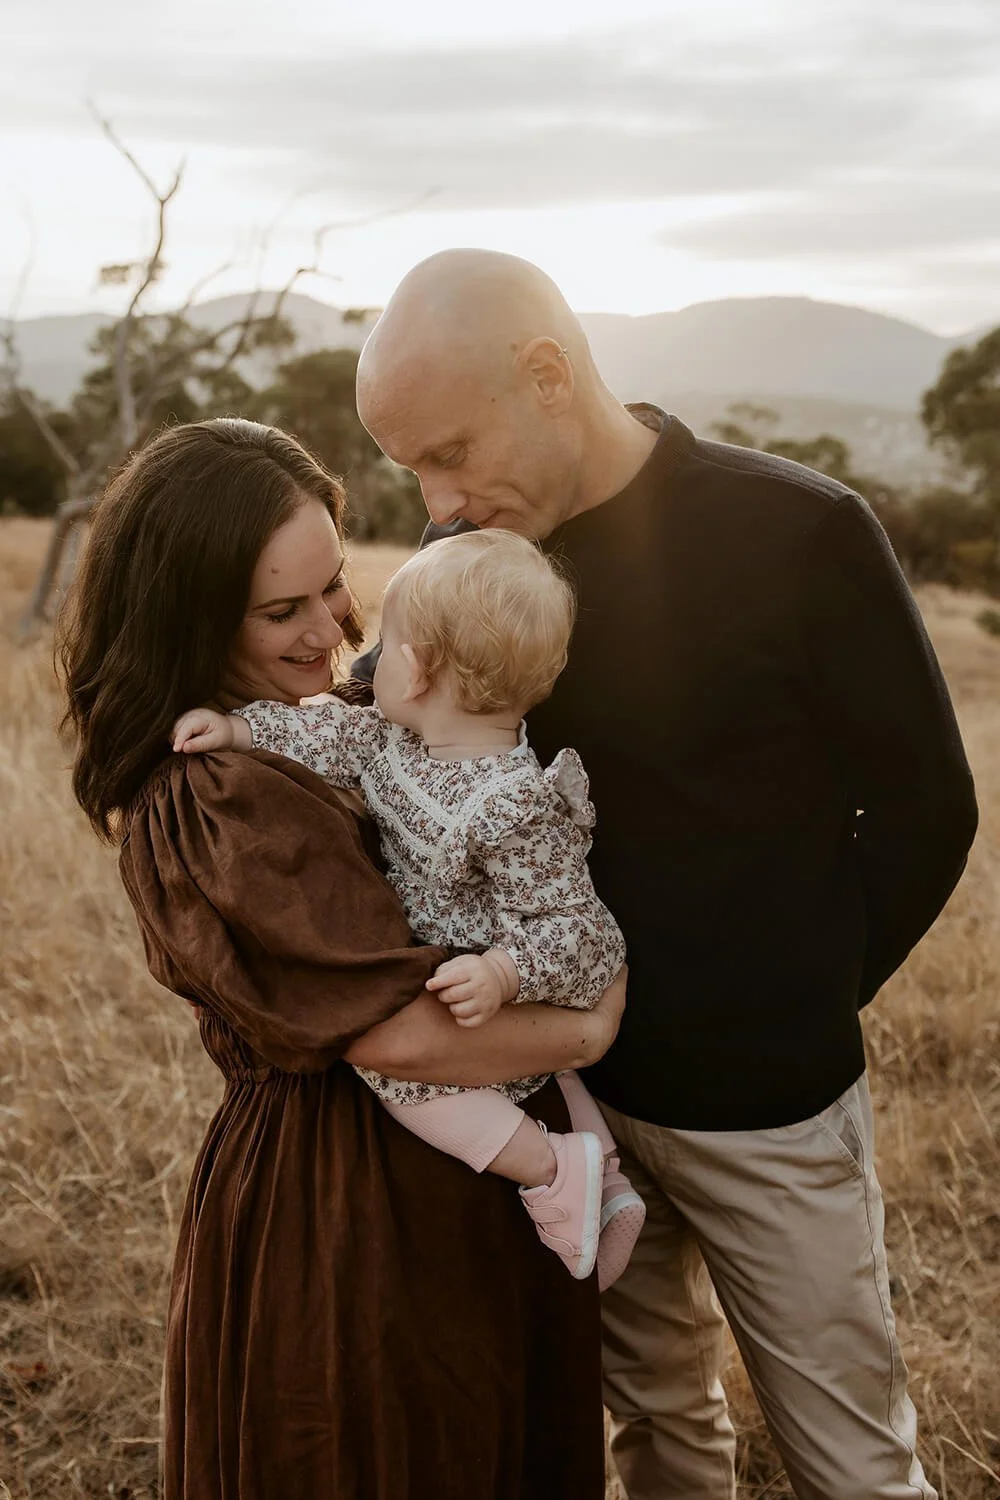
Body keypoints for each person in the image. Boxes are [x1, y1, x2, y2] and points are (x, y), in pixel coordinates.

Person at [349, 249, 980, 1500]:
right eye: (411, 472)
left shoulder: (798, 528)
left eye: (452, 453)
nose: (439, 499)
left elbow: (925, 807)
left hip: (768, 1104)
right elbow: (383, 723)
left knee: (849, 1459)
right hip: (573, 1108)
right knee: (654, 1432)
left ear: (547, 375)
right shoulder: (471, 562)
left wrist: (802, 996)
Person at [58, 416, 626, 1500]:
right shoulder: (217, 794)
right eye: (282, 610)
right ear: (188, 618)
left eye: (333, 586)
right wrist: (590, 1023)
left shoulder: (338, 725)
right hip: (347, 1212)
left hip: (449, 1176)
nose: (333, 633)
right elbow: (398, 1029)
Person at [171, 528, 643, 1288]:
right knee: (555, 1073)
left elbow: (574, 929)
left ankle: (555, 1168)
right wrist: (240, 728)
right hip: (469, 987)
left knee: (410, 1087)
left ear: (418, 670)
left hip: (500, 985)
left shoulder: (512, 802)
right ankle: (610, 1184)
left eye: (386, 647)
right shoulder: (400, 742)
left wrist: (504, 972)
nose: (364, 658)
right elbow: (329, 730)